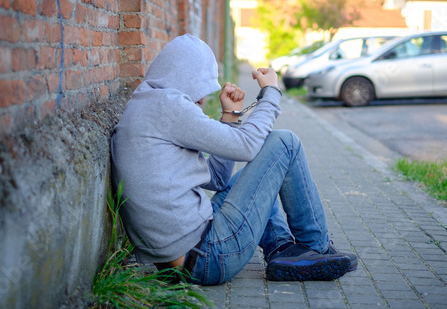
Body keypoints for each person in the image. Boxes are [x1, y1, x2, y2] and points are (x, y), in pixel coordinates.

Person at [111, 34, 357, 285]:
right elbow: (248, 147)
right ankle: (317, 249)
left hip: (183, 258)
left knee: (261, 173)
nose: (201, 99)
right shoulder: (168, 105)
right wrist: (271, 92)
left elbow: (217, 179)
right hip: (207, 257)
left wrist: (230, 115)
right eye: (201, 88)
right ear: (187, 78)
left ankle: (281, 249)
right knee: (285, 143)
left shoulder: (144, 104)